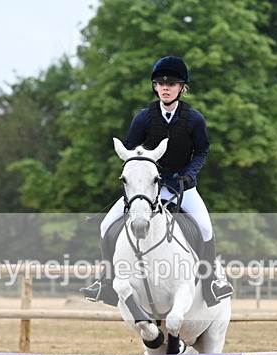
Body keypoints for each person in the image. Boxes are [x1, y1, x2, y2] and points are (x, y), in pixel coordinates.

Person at [81, 56, 234, 307]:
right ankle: (106, 283)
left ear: (182, 88)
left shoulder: (194, 119)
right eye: (161, 84)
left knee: (205, 228)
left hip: (182, 187)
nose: (165, 88)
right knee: (106, 225)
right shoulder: (144, 118)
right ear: (155, 87)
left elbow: (202, 151)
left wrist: (190, 174)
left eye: (171, 84)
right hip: (147, 188)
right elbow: (130, 150)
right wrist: (141, 170)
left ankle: (211, 283)